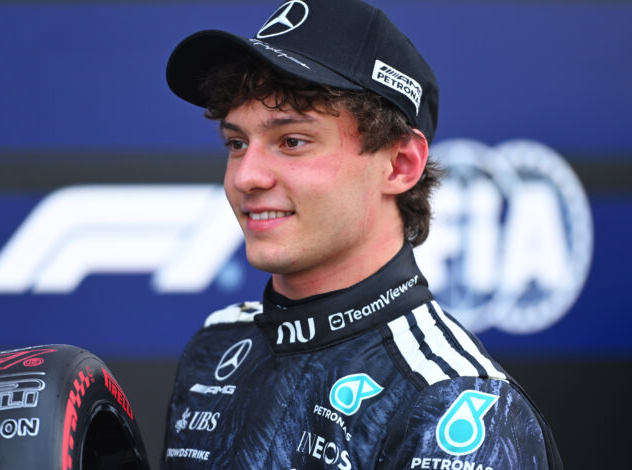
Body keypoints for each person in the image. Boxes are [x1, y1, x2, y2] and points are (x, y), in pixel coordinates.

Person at [162, 0, 563, 468]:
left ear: (400, 164)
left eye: (291, 141)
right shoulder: (215, 346)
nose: (247, 177)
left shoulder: (452, 404)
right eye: (237, 143)